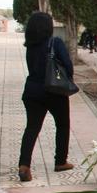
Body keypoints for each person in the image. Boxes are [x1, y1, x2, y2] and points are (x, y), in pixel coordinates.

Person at [19, 12, 75, 182]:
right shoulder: (55, 42)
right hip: (53, 90)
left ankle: (24, 165)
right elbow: (68, 65)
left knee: (32, 128)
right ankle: (60, 162)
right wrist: (68, 80)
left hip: (32, 90)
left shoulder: (30, 45)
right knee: (63, 125)